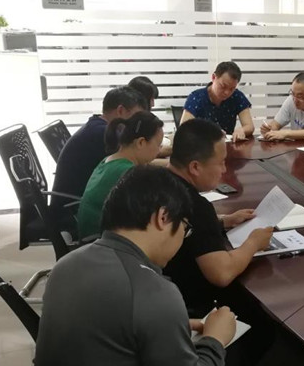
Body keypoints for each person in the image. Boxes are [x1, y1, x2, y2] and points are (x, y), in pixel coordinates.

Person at [33, 166, 237, 366]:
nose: (182, 241)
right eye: (185, 229)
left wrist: (173, 325)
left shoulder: (67, 265)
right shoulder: (154, 291)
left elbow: (108, 327)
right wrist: (215, 340)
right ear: (163, 217)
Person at [164, 118, 273, 316]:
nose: (224, 169)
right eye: (221, 162)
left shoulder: (157, 182)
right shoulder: (195, 205)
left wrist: (222, 221)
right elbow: (222, 273)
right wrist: (254, 243)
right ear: (195, 167)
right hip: (188, 308)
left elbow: (191, 231)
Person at [50, 86, 148, 225]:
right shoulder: (102, 135)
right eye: (136, 116)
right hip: (73, 211)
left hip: (78, 203)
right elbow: (135, 160)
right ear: (120, 110)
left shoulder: (97, 126)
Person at [77, 111, 164, 238]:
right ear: (141, 143)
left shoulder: (110, 160)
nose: (159, 150)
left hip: (90, 236)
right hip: (101, 240)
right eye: (159, 145)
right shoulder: (128, 173)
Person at [182, 62, 254, 142]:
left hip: (227, 145)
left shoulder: (237, 96)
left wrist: (242, 130)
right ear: (213, 77)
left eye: (232, 89)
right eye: (223, 86)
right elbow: (183, 129)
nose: (227, 92)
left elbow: (249, 126)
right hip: (202, 145)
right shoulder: (196, 97)